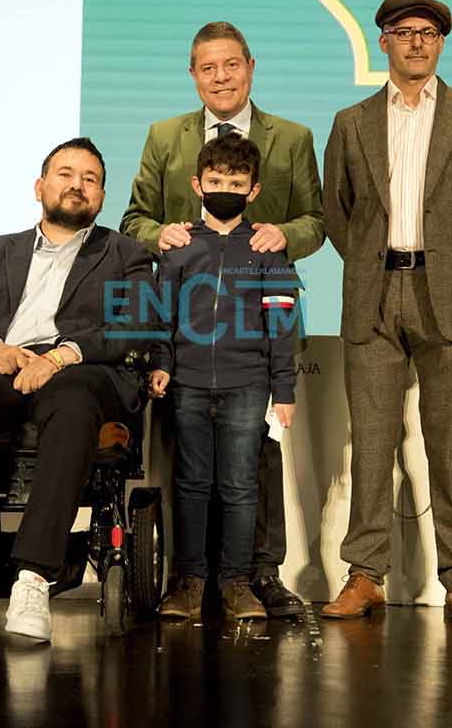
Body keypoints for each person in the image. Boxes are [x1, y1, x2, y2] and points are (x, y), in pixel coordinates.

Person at [120, 20, 323, 617]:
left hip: (257, 342)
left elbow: (316, 219)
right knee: (191, 471)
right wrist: (165, 233)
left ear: (250, 66)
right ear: (193, 74)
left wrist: (282, 234)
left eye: (230, 65)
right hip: (186, 348)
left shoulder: (291, 136)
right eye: (207, 68)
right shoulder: (164, 136)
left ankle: (256, 576)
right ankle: (190, 578)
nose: (220, 77)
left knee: (253, 468)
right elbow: (134, 219)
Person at [320, 0, 452, 625]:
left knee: (447, 445)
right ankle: (365, 575)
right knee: (371, 442)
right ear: (384, 41)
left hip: (445, 294)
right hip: (374, 295)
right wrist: (377, 264)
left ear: (442, 42)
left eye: (429, 32)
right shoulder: (352, 121)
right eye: (405, 32)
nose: (417, 42)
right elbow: (338, 213)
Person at [0, 138, 153, 645]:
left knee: (74, 401)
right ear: (40, 186)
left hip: (80, 369)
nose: (77, 185)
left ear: (100, 197)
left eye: (90, 179)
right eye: (65, 174)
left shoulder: (125, 254)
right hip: (5, 365)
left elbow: (137, 323)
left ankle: (34, 577)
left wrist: (62, 354)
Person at [150, 134, 301, 622]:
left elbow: (282, 325)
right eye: (216, 181)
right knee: (192, 484)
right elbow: (162, 316)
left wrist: (285, 389)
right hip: (188, 384)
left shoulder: (268, 251)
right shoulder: (178, 247)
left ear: (253, 190)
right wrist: (162, 363)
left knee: (239, 486)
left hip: (247, 385)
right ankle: (188, 582)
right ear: (198, 184)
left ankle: (236, 582)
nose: (225, 189)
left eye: (236, 182)